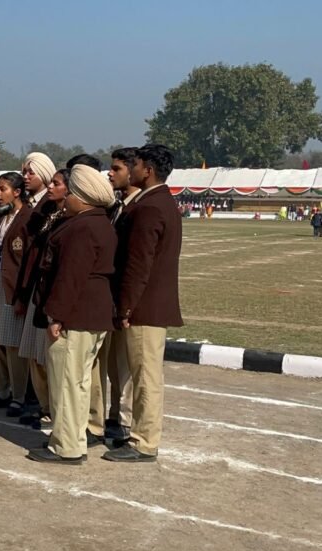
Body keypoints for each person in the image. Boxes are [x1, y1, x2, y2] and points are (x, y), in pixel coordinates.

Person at [26, 165, 117, 465]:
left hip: (76, 316)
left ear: (83, 196)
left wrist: (57, 317)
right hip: (93, 314)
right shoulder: (99, 222)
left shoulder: (81, 227)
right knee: (77, 383)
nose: (66, 200)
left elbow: (70, 277)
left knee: (66, 383)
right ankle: (73, 438)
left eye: (71, 194)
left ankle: (66, 446)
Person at [104, 144, 182, 463]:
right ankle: (139, 433)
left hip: (144, 306)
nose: (132, 171)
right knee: (141, 374)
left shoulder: (150, 206)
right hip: (146, 303)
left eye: (134, 165)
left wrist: (126, 307)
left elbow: (139, 263)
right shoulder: (161, 201)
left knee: (145, 376)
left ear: (147, 170)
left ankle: (145, 441)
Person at [0, 173, 33, 414]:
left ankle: (18, 395)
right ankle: (0, 389)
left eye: (3, 189)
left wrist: (23, 296)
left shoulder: (28, 218)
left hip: (14, 287)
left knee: (12, 343)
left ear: (17, 192)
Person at [14, 152, 59, 429]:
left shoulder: (51, 206)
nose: (26, 177)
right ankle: (41, 405)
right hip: (31, 286)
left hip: (43, 288)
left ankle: (49, 408)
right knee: (33, 355)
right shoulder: (37, 206)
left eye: (31, 172)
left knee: (44, 357)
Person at [102, 147, 140, 444]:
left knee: (126, 366)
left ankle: (124, 419)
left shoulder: (138, 207)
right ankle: (113, 414)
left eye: (116, 168)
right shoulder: (115, 206)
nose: (110, 173)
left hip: (128, 302)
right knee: (113, 365)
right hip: (110, 298)